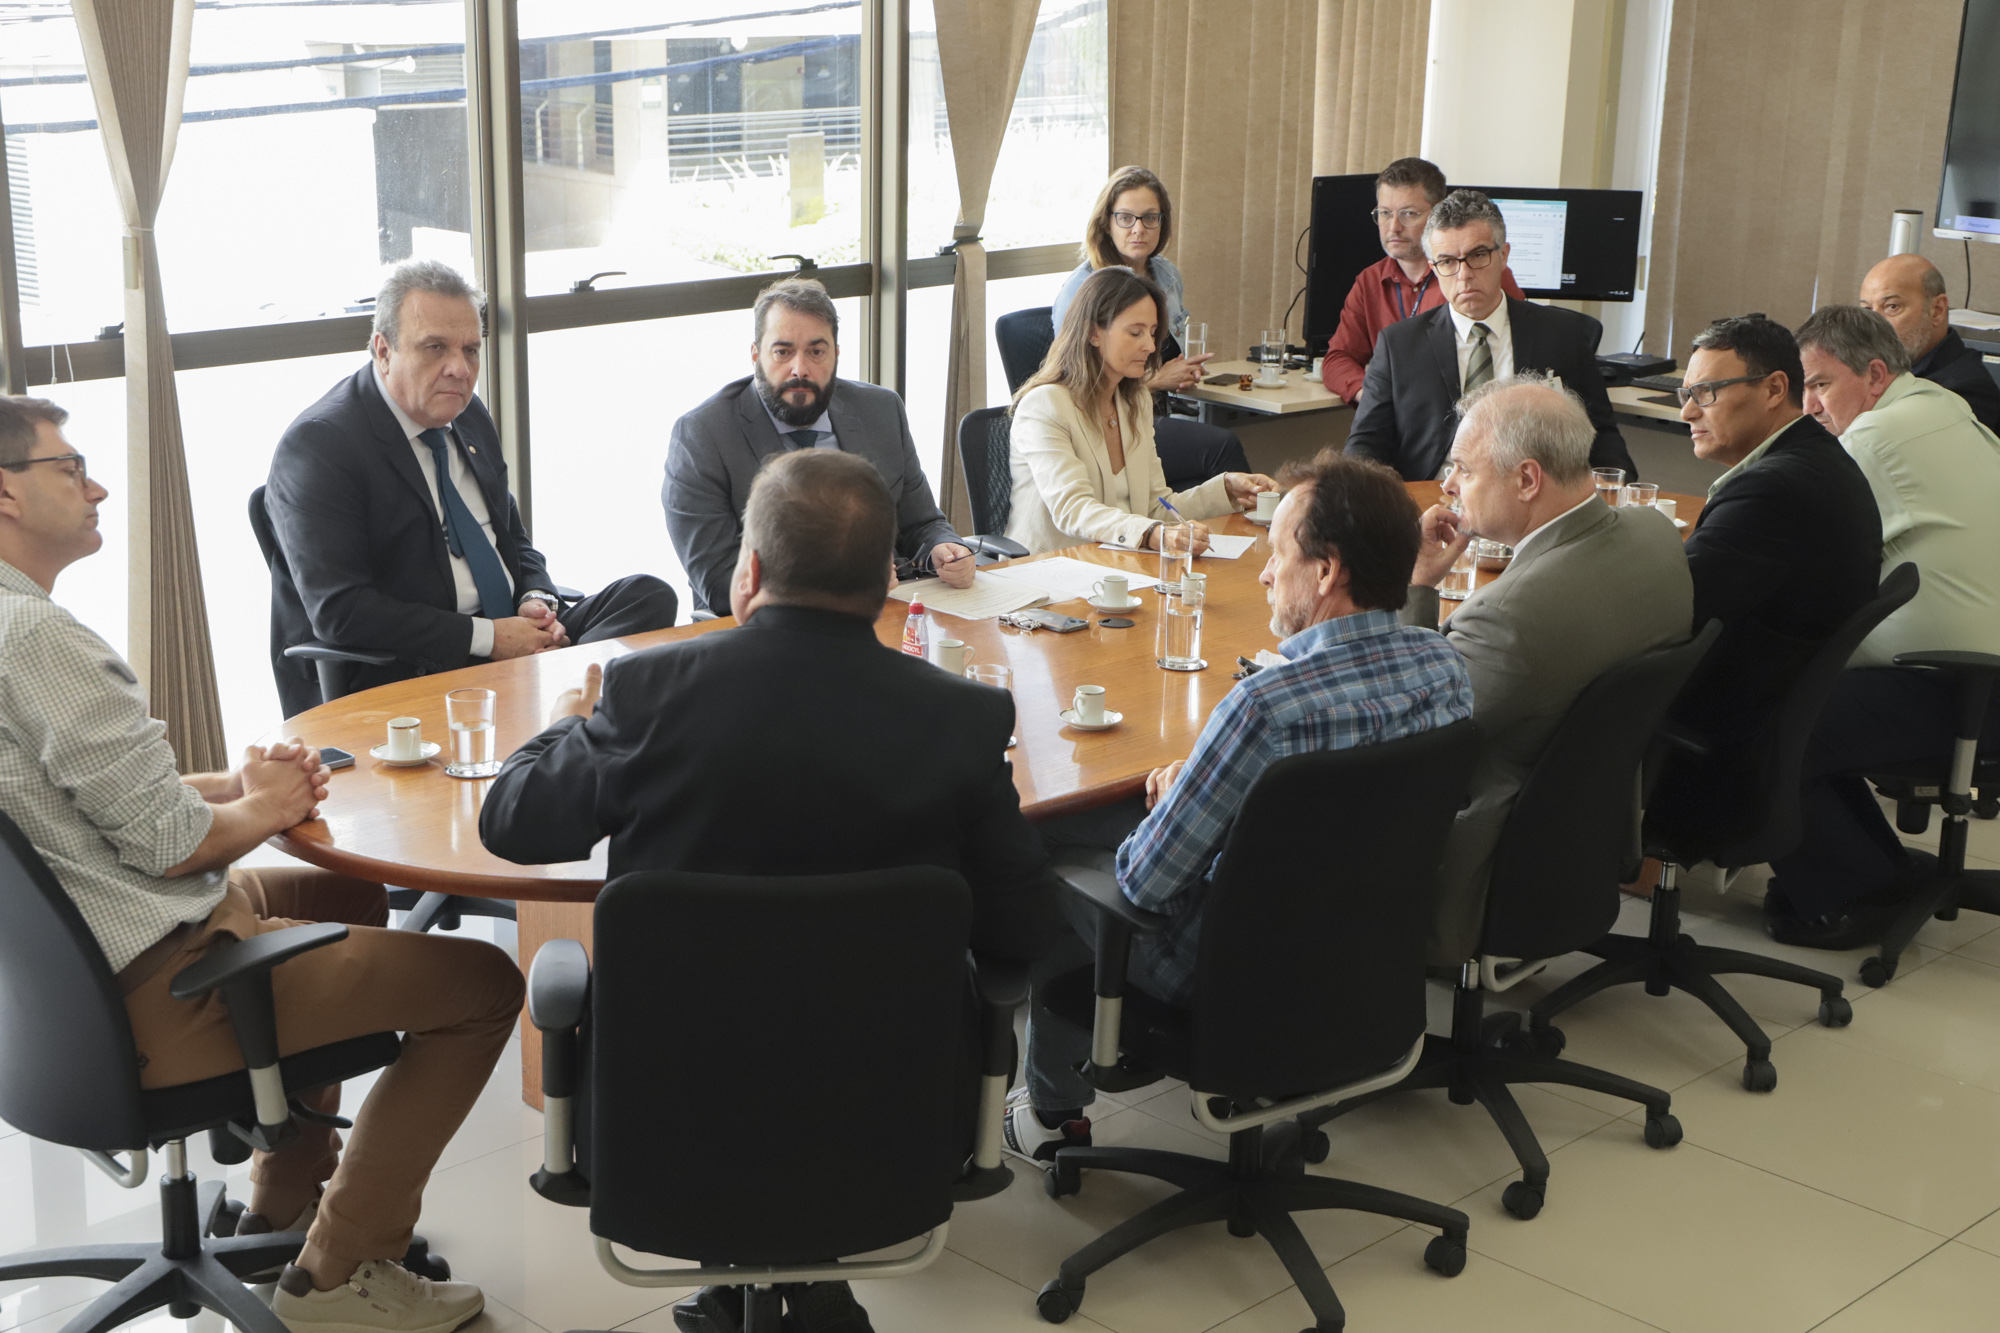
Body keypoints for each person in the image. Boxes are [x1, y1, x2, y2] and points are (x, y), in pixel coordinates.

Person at [481, 448, 1063, 1333]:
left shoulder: (650, 693)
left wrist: (566, 726)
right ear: (886, 581)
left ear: (746, 573)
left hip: (666, 1116)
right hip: (892, 1116)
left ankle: (743, 1280)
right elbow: (1025, 926)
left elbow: (514, 822)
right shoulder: (959, 717)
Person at [0, 395, 522, 1333]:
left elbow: (89, 799)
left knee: (348, 887)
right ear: (5, 494)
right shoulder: (37, 638)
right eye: (70, 469)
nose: (98, 485)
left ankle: (281, 1204)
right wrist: (266, 805)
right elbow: (172, 847)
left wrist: (231, 783)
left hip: (64, 982)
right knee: (484, 983)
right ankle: (339, 1274)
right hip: (160, 981)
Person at [1013, 452, 1473, 1159]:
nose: (1262, 572)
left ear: (1326, 572)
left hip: (1223, 972)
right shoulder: (1445, 668)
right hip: (1363, 960)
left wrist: (1177, 793)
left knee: (1043, 836)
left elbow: (1144, 883)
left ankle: (1053, 1111)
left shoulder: (1265, 706)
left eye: (1277, 554)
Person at [265, 260, 678, 718]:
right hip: (421, 661)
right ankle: (561, 696)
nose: (459, 369)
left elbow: (511, 538)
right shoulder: (321, 445)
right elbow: (341, 612)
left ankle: (551, 683)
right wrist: (492, 638)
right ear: (383, 351)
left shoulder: (468, 414)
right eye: (435, 348)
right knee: (627, 693)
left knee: (648, 595)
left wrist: (535, 600)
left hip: (508, 629)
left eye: (470, 349)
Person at [1404, 374, 1690, 965]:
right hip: (1585, 837)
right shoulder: (1656, 535)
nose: (1448, 484)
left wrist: (1415, 587)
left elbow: (1404, 725)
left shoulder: (1510, 620)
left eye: (1464, 468)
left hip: (1483, 862)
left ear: (1527, 478)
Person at [1756, 305, 2000, 948]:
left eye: (1820, 384)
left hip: (1964, 689)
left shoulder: (1871, 439)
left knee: (1773, 717)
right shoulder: (1942, 407)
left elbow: (1775, 520)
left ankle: (1853, 897)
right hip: (1971, 677)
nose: (1809, 405)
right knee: (1805, 697)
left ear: (1873, 374)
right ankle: (1878, 873)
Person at [1643, 316, 1883, 920]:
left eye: (1707, 393)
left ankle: (1542, 877)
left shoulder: (1775, 491)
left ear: (1775, 389)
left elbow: (1670, 606)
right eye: (1685, 394)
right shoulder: (1810, 459)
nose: (1687, 413)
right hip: (1770, 702)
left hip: (1728, 724)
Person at [664, 277, 975, 618]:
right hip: (768, 633)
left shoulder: (881, 410)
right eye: (783, 352)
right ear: (755, 355)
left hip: (888, 614)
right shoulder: (702, 436)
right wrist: (853, 581)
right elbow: (719, 582)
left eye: (816, 351)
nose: (800, 369)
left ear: (836, 354)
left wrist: (943, 548)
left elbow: (922, 522)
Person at [1344, 190, 1638, 483]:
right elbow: (1365, 447)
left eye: (1478, 255)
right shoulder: (1399, 345)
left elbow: (1602, 436)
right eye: (1447, 261)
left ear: (1504, 255)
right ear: (1433, 267)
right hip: (1436, 499)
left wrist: (1618, 493)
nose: (1464, 275)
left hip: (1532, 503)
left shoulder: (1562, 334)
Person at [1007, 267, 1274, 555]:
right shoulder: (1045, 406)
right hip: (1048, 571)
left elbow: (1157, 506)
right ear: (1092, 332)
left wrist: (1225, 488)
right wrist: (1151, 534)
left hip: (1116, 566)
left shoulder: (1134, 403)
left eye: (1152, 332)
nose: (1149, 346)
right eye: (1135, 332)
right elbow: (1072, 509)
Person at [1050, 165, 1253, 492]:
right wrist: (1157, 380)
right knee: (1221, 447)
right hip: (1105, 424)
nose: (1138, 229)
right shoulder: (1083, 288)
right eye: (1126, 218)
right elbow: (1077, 386)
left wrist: (1185, 372)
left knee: (1208, 467)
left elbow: (1171, 352)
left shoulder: (1166, 275)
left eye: (1150, 218)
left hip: (1158, 410)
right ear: (1107, 223)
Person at [1320, 157, 1525, 406]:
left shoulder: (1479, 272)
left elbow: (1520, 348)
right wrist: (1373, 396)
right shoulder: (1370, 281)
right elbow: (1337, 359)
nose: (1393, 227)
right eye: (1385, 213)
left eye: (1409, 214)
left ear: (1437, 212)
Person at [1858, 253, 2000, 433]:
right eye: (1867, 310)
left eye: (1892, 306)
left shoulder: (1963, 392)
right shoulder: (1873, 370)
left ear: (1937, 310)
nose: (1874, 324)